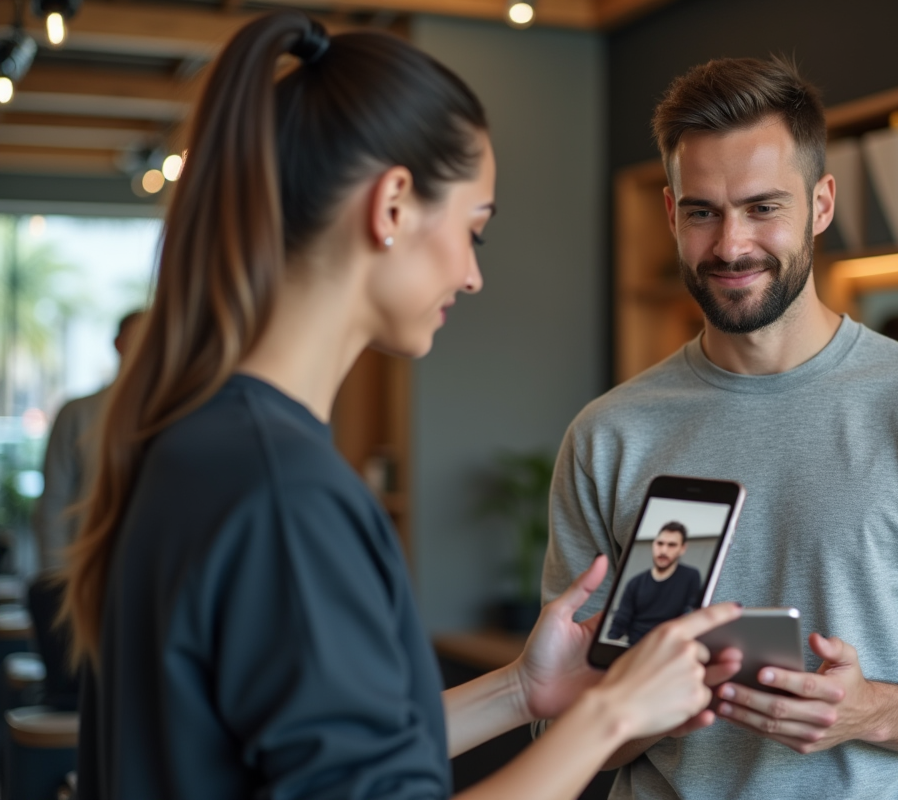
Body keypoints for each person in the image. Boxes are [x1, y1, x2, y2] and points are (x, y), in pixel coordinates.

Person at [59, 13, 743, 800]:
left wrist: (522, 691)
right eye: (473, 231)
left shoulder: (200, 447)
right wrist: (615, 715)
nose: (472, 274)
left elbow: (318, 759)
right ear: (390, 207)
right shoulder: (289, 498)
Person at [542, 56, 898, 799]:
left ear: (822, 204)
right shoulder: (609, 435)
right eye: (703, 211)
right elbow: (558, 723)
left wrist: (869, 713)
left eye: (763, 208)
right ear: (671, 214)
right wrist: (654, 705)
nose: (730, 245)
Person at [33, 310, 143, 572]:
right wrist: (57, 577)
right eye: (140, 336)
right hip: (90, 569)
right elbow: (54, 500)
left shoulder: (181, 414)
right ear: (119, 344)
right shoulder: (78, 412)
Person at [607, 522, 702, 645]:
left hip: (669, 645)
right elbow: (621, 620)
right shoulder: (635, 583)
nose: (663, 550)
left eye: (671, 545)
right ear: (653, 544)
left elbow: (690, 614)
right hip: (635, 646)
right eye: (660, 543)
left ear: (682, 548)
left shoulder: (691, 576)